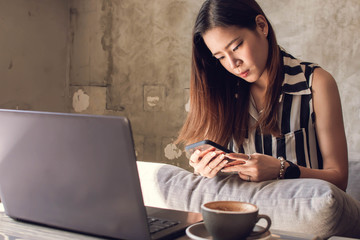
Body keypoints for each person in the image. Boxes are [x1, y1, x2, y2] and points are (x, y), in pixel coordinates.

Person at [176, 0, 348, 191]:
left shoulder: (316, 84)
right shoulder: (218, 93)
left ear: (261, 26)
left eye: (236, 47)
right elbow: (212, 182)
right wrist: (205, 168)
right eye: (221, 57)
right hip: (240, 215)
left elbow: (339, 179)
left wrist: (282, 169)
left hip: (302, 215)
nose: (233, 64)